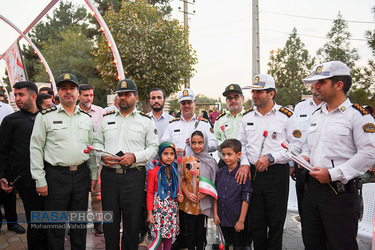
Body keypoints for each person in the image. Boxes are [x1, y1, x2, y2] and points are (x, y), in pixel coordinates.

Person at [300, 61, 375, 250]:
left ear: (338, 85)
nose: (315, 86)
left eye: (321, 82)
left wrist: (333, 174)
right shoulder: (317, 114)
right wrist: (305, 157)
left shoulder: (357, 115)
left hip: (340, 193)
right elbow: (309, 146)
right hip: (313, 190)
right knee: (312, 242)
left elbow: (368, 153)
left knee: (340, 245)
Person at [30, 73, 98, 250]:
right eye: (63, 89)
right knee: (55, 226)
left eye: (72, 88)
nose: (68, 92)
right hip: (55, 177)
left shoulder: (86, 119)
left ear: (77, 92)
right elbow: (36, 148)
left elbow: (90, 149)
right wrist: (40, 179)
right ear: (57, 93)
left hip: (82, 175)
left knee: (79, 224)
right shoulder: (44, 116)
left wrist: (93, 173)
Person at [237, 74, 303, 250]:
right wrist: (244, 163)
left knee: (276, 222)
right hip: (253, 174)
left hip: (276, 175)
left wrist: (272, 158)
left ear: (271, 94)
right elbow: (241, 145)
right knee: (256, 222)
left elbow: (296, 147)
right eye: (253, 92)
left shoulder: (287, 116)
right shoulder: (247, 117)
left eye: (259, 92)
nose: (254, 95)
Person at [93, 79, 158, 250]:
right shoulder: (106, 120)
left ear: (136, 97)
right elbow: (97, 143)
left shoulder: (146, 121)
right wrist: (101, 156)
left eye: (127, 94)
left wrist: (134, 157)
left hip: (134, 176)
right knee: (110, 220)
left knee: (132, 221)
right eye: (120, 94)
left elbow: (154, 148)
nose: (123, 97)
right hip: (109, 176)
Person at [161, 88, 217, 249]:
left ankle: (200, 241)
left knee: (199, 210)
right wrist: (172, 149)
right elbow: (164, 143)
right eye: (183, 103)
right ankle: (182, 238)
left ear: (194, 104)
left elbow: (214, 144)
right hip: (179, 172)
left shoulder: (204, 124)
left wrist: (200, 142)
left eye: (189, 102)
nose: (186, 106)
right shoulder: (173, 124)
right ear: (180, 105)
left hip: (200, 173)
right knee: (181, 207)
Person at [0, 81, 46, 248]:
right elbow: (3, 150)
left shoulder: (47, 116)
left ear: (33, 96)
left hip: (50, 176)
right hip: (26, 178)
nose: (17, 98)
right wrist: (3, 175)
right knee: (35, 219)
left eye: (21, 95)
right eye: (15, 95)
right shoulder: (10, 120)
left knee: (51, 218)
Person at [180, 130, 217, 250]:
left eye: (200, 142)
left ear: (205, 142)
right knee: (190, 232)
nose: (196, 146)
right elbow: (181, 180)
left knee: (201, 232)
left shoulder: (211, 162)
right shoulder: (185, 160)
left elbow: (214, 181)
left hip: (203, 204)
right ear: (190, 143)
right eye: (193, 142)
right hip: (189, 203)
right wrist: (186, 192)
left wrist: (206, 192)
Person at [291, 83, 323, 222]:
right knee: (305, 211)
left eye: (320, 82)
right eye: (313, 82)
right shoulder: (300, 107)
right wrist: (292, 163)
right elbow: (295, 137)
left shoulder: (338, 109)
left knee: (324, 214)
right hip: (302, 166)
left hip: (324, 169)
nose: (316, 86)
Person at [213, 139, 252, 250]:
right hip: (222, 219)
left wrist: (241, 220)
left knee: (238, 246)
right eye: (224, 154)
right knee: (222, 245)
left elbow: (246, 198)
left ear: (238, 154)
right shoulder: (220, 173)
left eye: (229, 154)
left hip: (236, 221)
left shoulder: (243, 175)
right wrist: (215, 214)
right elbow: (215, 195)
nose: (226, 157)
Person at [146, 142, 184, 250]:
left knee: (169, 237)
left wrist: (180, 196)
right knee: (158, 238)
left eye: (172, 154)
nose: (169, 156)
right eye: (165, 153)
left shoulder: (175, 171)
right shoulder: (153, 172)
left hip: (171, 209)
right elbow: (149, 193)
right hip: (158, 210)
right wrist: (150, 213)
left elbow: (177, 190)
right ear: (160, 154)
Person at [214, 84, 245, 169]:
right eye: (229, 98)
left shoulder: (249, 118)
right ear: (226, 101)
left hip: (244, 164)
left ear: (242, 99)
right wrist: (225, 147)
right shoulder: (220, 120)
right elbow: (215, 139)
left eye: (236, 97)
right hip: (224, 165)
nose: (233, 100)